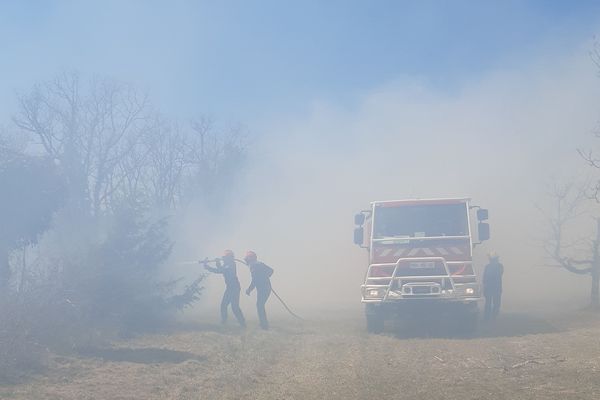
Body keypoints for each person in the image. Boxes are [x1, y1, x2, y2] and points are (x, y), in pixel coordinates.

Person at [203, 249, 246, 328]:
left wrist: (207, 267)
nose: (223, 257)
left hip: (234, 288)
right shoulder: (227, 264)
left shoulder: (231, 264)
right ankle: (224, 321)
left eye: (225, 256)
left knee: (234, 307)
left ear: (229, 257)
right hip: (230, 287)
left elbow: (219, 271)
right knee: (224, 305)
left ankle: (242, 323)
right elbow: (221, 269)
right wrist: (217, 263)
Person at [244, 250, 274, 330]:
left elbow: (255, 280)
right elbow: (271, 271)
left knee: (259, 305)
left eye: (247, 258)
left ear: (250, 259)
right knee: (260, 305)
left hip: (263, 289)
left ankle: (264, 326)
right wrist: (265, 277)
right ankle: (263, 324)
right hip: (265, 288)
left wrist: (249, 289)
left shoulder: (254, 266)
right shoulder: (259, 264)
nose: (245, 260)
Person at [482, 251, 504, 321]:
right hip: (489, 288)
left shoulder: (499, 266)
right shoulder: (487, 267)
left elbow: (499, 274)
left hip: (496, 288)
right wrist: (484, 286)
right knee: (488, 303)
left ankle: (494, 316)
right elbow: (484, 278)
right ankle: (487, 317)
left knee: (496, 303)